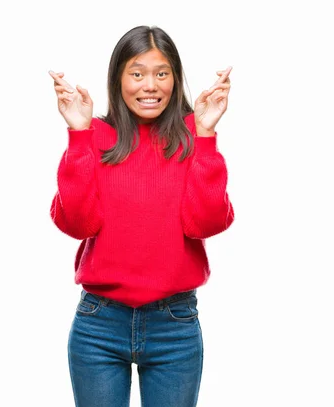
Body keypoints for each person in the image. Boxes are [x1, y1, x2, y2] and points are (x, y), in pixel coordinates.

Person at [48, 25, 234, 407]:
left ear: (175, 79)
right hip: (99, 324)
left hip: (175, 326)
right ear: (118, 79)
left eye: (161, 73)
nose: (150, 85)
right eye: (137, 73)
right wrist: (79, 135)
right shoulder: (96, 136)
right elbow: (76, 224)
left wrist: (205, 136)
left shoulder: (190, 135)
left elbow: (208, 222)